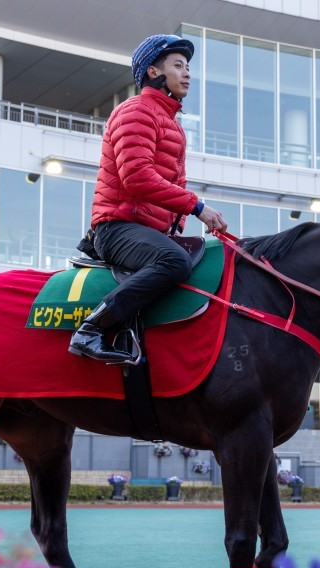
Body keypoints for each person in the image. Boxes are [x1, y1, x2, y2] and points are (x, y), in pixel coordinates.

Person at [69, 34, 227, 363]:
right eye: (178, 65)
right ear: (154, 72)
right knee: (174, 262)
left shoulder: (172, 125)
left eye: (188, 67)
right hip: (116, 229)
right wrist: (197, 208)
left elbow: (171, 185)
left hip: (146, 231)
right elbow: (138, 178)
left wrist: (176, 227)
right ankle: (91, 331)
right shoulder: (136, 111)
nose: (187, 73)